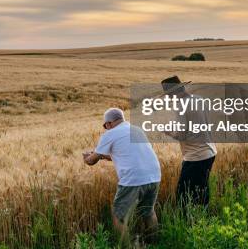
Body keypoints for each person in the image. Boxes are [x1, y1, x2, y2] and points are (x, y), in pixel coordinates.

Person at [83, 107, 161, 240]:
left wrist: (86, 157)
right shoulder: (137, 130)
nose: (106, 128)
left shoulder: (110, 134)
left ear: (109, 123)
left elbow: (91, 161)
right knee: (148, 211)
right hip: (154, 175)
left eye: (105, 126)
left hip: (133, 179)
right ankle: (156, 243)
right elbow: (128, 152)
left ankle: (124, 246)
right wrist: (102, 156)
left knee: (118, 216)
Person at [161, 75, 216, 211]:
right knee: (202, 189)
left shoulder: (181, 106)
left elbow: (182, 134)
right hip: (210, 151)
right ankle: (204, 219)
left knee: (183, 193)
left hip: (196, 156)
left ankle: (189, 222)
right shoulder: (199, 99)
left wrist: (169, 131)